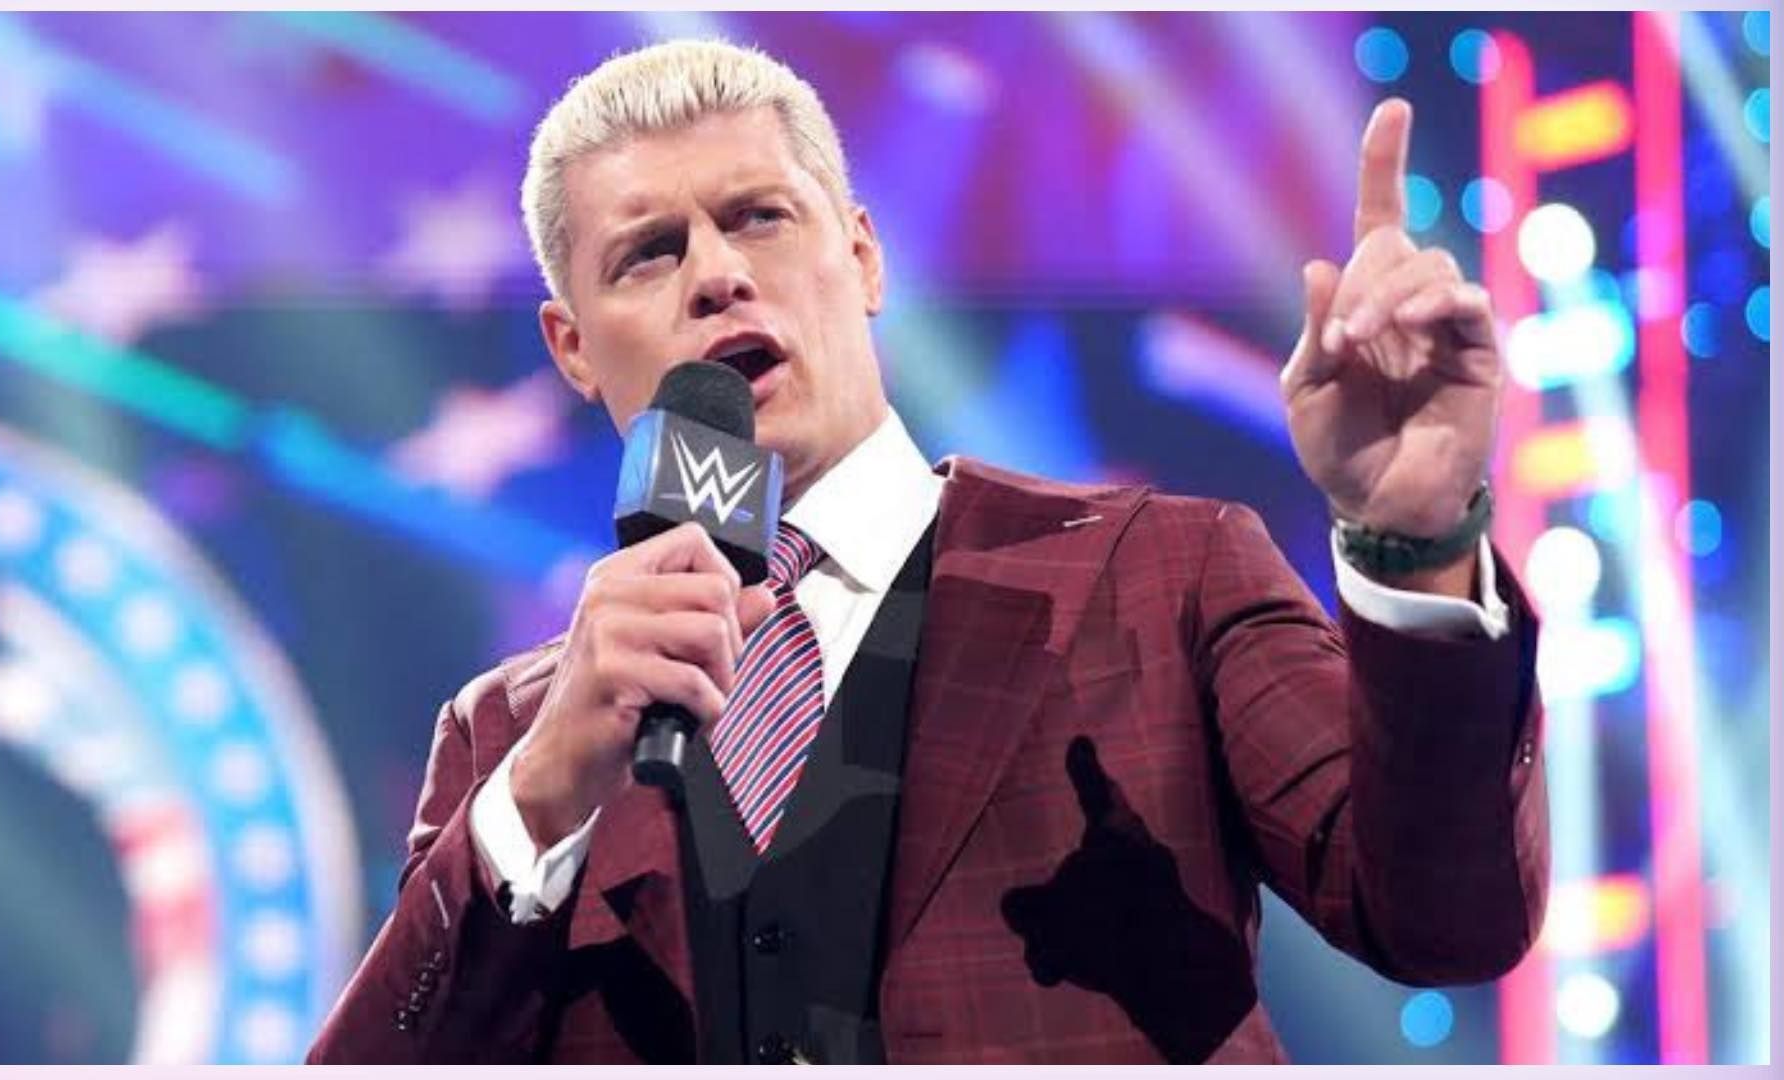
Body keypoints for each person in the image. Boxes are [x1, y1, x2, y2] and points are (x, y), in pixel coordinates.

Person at [308, 38, 1547, 1064]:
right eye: (650, 252)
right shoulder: (507, 739)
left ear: (861, 256)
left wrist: (1414, 538)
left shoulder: (1161, 573)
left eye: (760, 219)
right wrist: (535, 801)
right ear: (572, 346)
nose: (721, 276)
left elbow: (1444, 916)